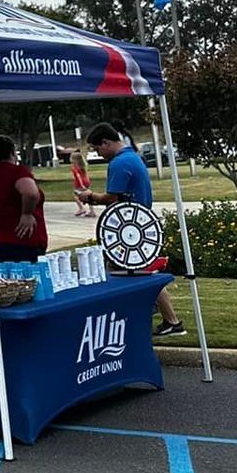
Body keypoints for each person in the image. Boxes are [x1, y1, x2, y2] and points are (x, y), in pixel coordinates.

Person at [77, 123, 184, 336]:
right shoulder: (133, 157)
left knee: (133, 274)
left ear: (106, 143)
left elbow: (112, 198)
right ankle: (168, 320)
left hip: (128, 230)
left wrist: (89, 197)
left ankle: (131, 323)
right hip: (139, 227)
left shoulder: (119, 163)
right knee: (143, 273)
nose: (99, 154)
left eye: (98, 149)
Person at [0, 135, 47, 264]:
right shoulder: (17, 172)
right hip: (24, 238)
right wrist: (26, 213)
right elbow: (30, 192)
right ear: (12, 152)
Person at [69, 150, 93, 217]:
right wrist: (88, 182)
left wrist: (81, 184)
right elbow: (86, 175)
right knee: (88, 196)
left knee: (76, 195)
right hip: (86, 181)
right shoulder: (82, 166)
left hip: (79, 183)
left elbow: (78, 176)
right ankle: (92, 211)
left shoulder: (74, 168)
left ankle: (81, 208)